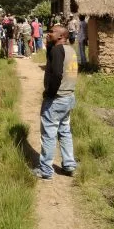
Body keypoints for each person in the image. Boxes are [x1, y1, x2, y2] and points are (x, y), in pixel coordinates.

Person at [33, 26, 78, 180]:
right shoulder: (70, 50)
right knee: (65, 131)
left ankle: (45, 170)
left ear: (60, 36)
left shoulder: (57, 51)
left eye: (52, 32)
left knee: (49, 134)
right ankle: (69, 165)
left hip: (57, 99)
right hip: (69, 96)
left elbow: (57, 73)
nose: (48, 33)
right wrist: (48, 47)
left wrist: (49, 93)